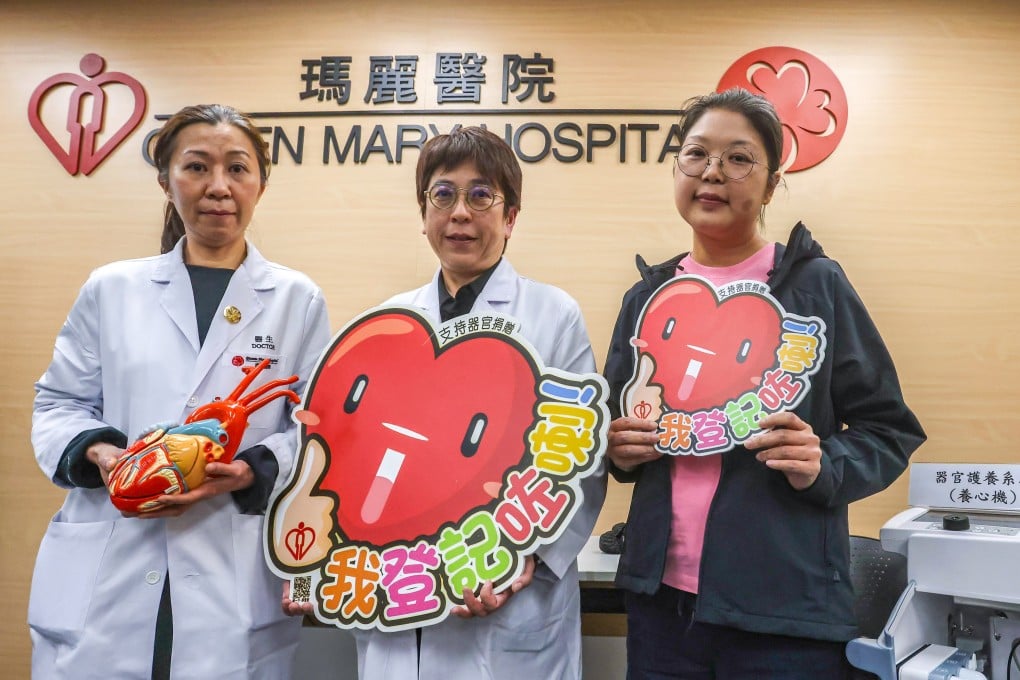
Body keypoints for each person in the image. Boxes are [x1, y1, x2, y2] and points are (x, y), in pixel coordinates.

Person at [603, 88, 926, 679]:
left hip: (784, 613)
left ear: (772, 184)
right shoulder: (648, 297)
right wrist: (619, 449)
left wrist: (821, 461)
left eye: (739, 158)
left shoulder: (815, 287)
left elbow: (888, 428)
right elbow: (616, 428)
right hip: (662, 608)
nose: (713, 174)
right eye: (696, 155)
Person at [283, 126, 605, 679]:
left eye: (482, 196)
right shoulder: (387, 323)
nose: (460, 213)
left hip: (503, 599)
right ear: (423, 211)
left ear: (510, 217)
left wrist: (525, 555)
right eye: (444, 194)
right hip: (397, 592)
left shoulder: (553, 315)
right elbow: (346, 457)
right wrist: (320, 555)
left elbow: (580, 460)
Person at [29, 104, 332, 679]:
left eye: (237, 169)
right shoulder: (112, 289)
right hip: (111, 567)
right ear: (166, 181)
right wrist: (104, 455)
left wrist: (250, 470)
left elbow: (316, 429)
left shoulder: (298, 300)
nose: (218, 187)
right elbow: (58, 403)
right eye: (197, 167)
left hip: (229, 565)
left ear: (260, 185)